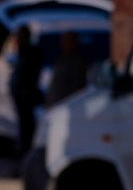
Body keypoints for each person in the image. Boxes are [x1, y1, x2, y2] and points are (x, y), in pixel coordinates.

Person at [9, 22, 43, 155]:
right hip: (23, 95)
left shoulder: (29, 53)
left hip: (26, 96)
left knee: (27, 128)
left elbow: (28, 76)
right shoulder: (25, 53)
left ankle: (26, 155)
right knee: (25, 127)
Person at [45, 30, 87, 106]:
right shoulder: (62, 58)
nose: (64, 44)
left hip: (68, 104)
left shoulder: (77, 61)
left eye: (67, 41)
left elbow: (77, 87)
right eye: (64, 41)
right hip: (57, 105)